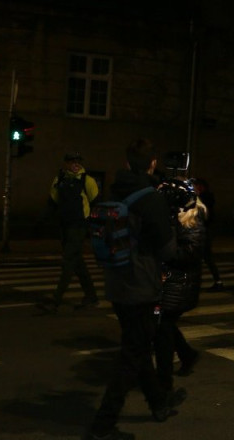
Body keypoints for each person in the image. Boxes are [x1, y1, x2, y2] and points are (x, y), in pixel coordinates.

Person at [85, 139, 183, 440]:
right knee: (132, 353)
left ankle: (158, 403)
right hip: (141, 284)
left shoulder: (114, 190)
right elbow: (168, 251)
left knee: (137, 344)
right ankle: (102, 426)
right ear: (152, 163)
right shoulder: (151, 199)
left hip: (115, 280)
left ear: (128, 163)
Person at [154, 178, 206, 390]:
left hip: (181, 282)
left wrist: (165, 251)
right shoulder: (174, 216)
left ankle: (167, 376)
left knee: (163, 325)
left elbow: (190, 253)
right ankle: (187, 355)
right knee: (163, 325)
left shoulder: (194, 220)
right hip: (171, 280)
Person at [40, 152, 100, 313]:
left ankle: (56, 299)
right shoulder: (59, 179)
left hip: (79, 226)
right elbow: (53, 200)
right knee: (77, 261)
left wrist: (94, 227)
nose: (75, 164)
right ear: (65, 163)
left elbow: (96, 203)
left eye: (78, 161)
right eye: (72, 161)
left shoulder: (87, 180)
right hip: (65, 226)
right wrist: (43, 221)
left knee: (68, 261)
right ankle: (91, 296)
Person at [192, 178, 224, 291]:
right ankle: (217, 281)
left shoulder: (204, 199)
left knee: (205, 257)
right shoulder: (204, 198)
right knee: (206, 257)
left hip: (204, 232)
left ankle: (217, 281)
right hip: (203, 231)